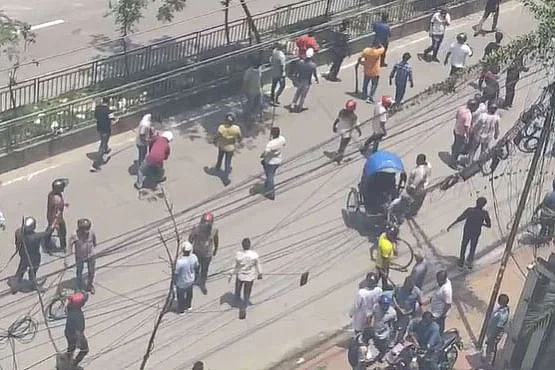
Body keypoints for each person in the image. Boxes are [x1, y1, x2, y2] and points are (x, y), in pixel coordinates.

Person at [12, 217, 55, 293]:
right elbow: (47, 233)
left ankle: (16, 284)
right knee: (32, 271)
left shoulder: (19, 232)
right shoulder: (35, 237)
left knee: (21, 269)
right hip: (34, 258)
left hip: (23, 255)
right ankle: (33, 285)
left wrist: (17, 247)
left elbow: (17, 242)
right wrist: (53, 224)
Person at [448, 197, 492, 269]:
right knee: (473, 247)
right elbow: (489, 225)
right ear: (484, 205)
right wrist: (481, 224)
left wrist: (451, 225)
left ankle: (461, 261)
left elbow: (460, 218)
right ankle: (469, 263)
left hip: (467, 231)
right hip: (476, 233)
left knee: (464, 246)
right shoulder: (485, 213)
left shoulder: (470, 210)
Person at [188, 213, 219, 295]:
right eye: (204, 222)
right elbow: (190, 239)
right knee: (195, 267)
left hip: (207, 254)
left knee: (205, 270)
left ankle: (203, 284)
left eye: (207, 222)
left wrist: (216, 249)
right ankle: (195, 279)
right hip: (197, 252)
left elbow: (216, 239)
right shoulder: (196, 229)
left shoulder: (214, 230)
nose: (206, 224)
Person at [67, 219, 97, 293]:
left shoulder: (91, 232)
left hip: (90, 255)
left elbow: (94, 241)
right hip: (79, 256)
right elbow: (69, 246)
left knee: (91, 271)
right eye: (84, 230)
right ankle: (78, 287)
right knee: (79, 272)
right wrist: (67, 258)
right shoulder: (74, 235)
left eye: (87, 229)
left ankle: (90, 285)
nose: (86, 232)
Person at [231, 238, 262, 308]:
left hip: (240, 275)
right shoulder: (254, 255)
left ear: (242, 246)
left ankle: (237, 299)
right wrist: (260, 273)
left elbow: (235, 265)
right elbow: (257, 264)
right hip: (250, 276)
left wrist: (231, 273)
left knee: (238, 288)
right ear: (249, 245)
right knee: (247, 290)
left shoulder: (238, 254)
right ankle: (245, 302)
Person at [212, 113, 242, 186]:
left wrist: (214, 141)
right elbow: (239, 137)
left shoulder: (221, 127)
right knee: (227, 162)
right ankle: (226, 178)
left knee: (220, 157)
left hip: (222, 146)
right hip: (230, 148)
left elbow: (217, 136)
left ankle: (217, 167)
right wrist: (238, 141)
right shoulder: (236, 128)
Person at [393, 276, 422, 342]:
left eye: (411, 286)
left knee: (402, 328)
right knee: (394, 326)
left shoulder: (416, 291)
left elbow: (420, 303)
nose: (410, 288)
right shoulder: (399, 287)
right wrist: (398, 307)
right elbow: (393, 296)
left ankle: (399, 340)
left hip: (407, 313)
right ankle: (393, 339)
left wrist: (415, 313)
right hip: (397, 311)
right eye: (408, 285)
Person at [91, 97, 117, 172]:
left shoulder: (97, 108)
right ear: (108, 103)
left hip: (99, 128)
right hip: (106, 130)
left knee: (103, 141)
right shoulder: (109, 111)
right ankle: (95, 165)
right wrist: (116, 120)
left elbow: (96, 117)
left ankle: (106, 149)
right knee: (102, 145)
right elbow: (112, 120)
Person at [368, 294, 397, 362]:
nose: (385, 307)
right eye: (383, 304)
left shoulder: (392, 312)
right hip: (375, 331)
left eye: (386, 305)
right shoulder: (376, 307)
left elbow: (393, 324)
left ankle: (380, 357)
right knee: (374, 345)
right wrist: (369, 325)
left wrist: (392, 335)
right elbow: (371, 316)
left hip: (385, 333)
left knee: (384, 348)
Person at [260, 127, 286, 200]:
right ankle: (268, 184)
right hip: (278, 160)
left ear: (272, 134)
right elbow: (284, 144)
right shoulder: (282, 139)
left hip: (270, 162)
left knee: (270, 176)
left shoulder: (270, 144)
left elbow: (265, 153)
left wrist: (262, 155)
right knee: (271, 173)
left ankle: (271, 192)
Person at [65, 292, 89, 369]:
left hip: (68, 332)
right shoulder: (78, 316)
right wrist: (79, 343)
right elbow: (79, 332)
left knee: (71, 348)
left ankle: (67, 362)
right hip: (75, 335)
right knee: (85, 349)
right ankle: (73, 365)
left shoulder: (69, 307)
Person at [290, 48, 318, 113]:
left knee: (297, 93)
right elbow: (314, 74)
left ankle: (292, 105)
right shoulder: (313, 65)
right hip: (307, 82)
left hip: (300, 80)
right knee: (303, 95)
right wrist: (316, 79)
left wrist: (295, 79)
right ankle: (300, 107)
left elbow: (296, 72)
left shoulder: (300, 63)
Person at [174, 242, 199, 313]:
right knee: (189, 293)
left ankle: (181, 310)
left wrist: (174, 281)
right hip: (191, 279)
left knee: (180, 296)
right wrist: (196, 276)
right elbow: (197, 267)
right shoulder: (194, 257)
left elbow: (176, 273)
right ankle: (188, 306)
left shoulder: (180, 262)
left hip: (181, 282)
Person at [485, 293, 510, 364]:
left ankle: (490, 361)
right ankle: (488, 359)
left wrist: (491, 336)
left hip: (495, 333)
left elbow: (498, 327)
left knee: (492, 346)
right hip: (493, 331)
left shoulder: (502, 314)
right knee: (490, 346)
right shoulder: (502, 309)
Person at [46, 179, 68, 252]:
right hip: (56, 218)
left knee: (49, 229)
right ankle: (63, 247)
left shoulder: (51, 194)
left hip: (50, 216)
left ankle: (46, 241)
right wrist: (56, 223)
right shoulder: (57, 200)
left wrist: (63, 204)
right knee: (62, 232)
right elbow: (57, 213)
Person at [451, 100, 475, 166]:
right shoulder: (468, 115)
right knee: (459, 148)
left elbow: (456, 117)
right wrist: (467, 136)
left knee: (456, 143)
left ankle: (453, 153)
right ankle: (453, 162)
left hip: (456, 129)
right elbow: (466, 127)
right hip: (461, 134)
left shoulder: (461, 108)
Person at [375, 226, 398, 290]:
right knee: (383, 276)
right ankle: (381, 287)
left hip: (379, 261)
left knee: (380, 276)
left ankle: (383, 285)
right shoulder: (386, 246)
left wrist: (394, 248)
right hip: (382, 265)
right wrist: (384, 271)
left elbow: (392, 241)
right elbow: (384, 260)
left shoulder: (383, 235)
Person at [242, 57, 263, 122]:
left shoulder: (259, 69)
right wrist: (244, 90)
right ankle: (247, 116)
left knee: (259, 103)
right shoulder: (248, 72)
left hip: (258, 90)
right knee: (250, 104)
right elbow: (245, 82)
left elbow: (260, 79)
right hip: (251, 91)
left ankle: (256, 115)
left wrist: (262, 85)